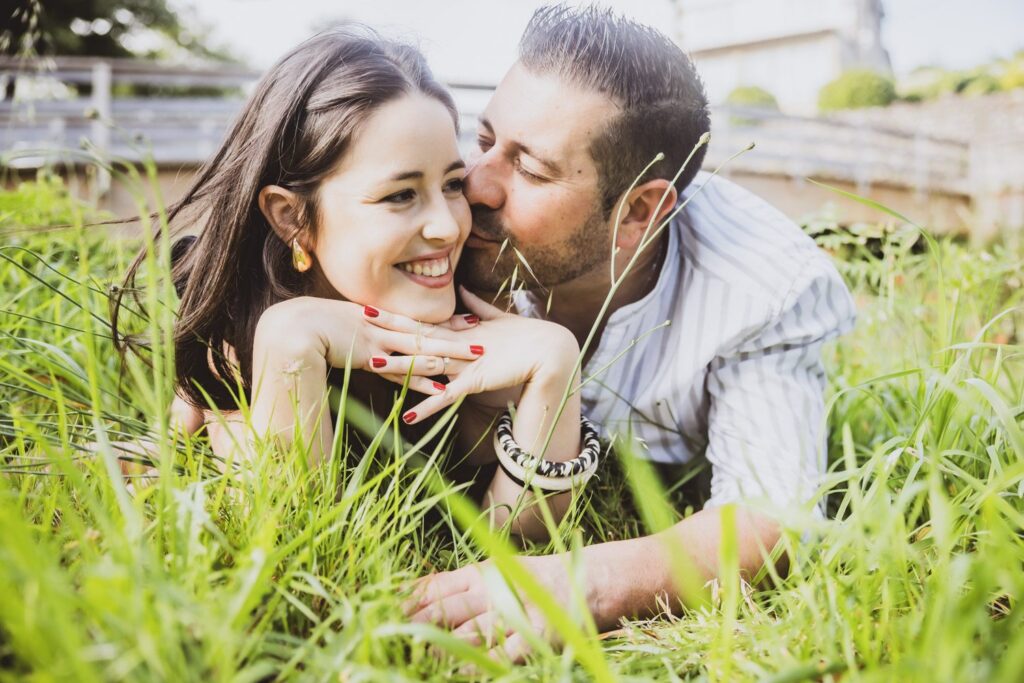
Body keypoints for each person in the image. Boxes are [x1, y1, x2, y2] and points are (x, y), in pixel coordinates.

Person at [404, 5, 858, 658]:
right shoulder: (447, 213)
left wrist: (586, 583)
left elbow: (773, 518)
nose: (474, 186)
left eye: (530, 170)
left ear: (639, 211)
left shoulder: (762, 287)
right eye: (483, 141)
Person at [112, 28, 596, 539]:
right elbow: (287, 539)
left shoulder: (474, 323)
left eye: (452, 184)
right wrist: (289, 341)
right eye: (400, 195)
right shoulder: (244, 336)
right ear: (291, 217)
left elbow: (518, 535)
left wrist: (556, 367)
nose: (451, 227)